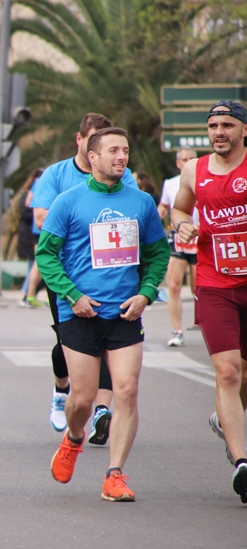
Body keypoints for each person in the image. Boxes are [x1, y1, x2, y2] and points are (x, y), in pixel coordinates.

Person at [37, 127, 169, 501]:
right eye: (113, 150)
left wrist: (145, 293)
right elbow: (46, 254)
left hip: (125, 314)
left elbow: (159, 252)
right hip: (80, 313)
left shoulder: (141, 202)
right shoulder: (68, 201)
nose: (121, 157)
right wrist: (71, 294)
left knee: (126, 390)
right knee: (81, 399)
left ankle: (115, 475)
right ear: (91, 157)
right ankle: (74, 437)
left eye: (125, 150)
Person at [32, 113, 137, 439]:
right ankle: (62, 389)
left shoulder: (125, 176)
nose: (117, 157)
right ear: (84, 144)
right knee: (66, 343)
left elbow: (135, 212)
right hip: (67, 273)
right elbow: (40, 218)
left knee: (110, 340)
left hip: (113, 272)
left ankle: (102, 410)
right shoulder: (57, 175)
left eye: (121, 150)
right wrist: (84, 218)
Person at [172, 100, 247, 503]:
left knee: (244, 377)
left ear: (244, 131)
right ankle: (242, 464)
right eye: (213, 125)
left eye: (228, 125)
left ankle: (224, 417)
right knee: (228, 372)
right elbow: (181, 209)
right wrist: (183, 226)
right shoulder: (193, 170)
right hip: (215, 282)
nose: (219, 131)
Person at [158, 147, 198, 347]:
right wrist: (159, 212)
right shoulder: (171, 184)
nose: (189, 161)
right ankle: (177, 330)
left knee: (199, 288)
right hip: (179, 236)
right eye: (185, 159)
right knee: (173, 285)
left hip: (202, 236)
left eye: (192, 158)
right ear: (178, 163)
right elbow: (164, 206)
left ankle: (207, 326)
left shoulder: (207, 179)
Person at [17, 169, 45, 307]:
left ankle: (32, 296)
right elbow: (29, 202)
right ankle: (30, 295)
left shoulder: (37, 183)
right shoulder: (46, 182)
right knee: (41, 263)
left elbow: (29, 202)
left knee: (39, 263)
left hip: (36, 229)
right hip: (44, 227)